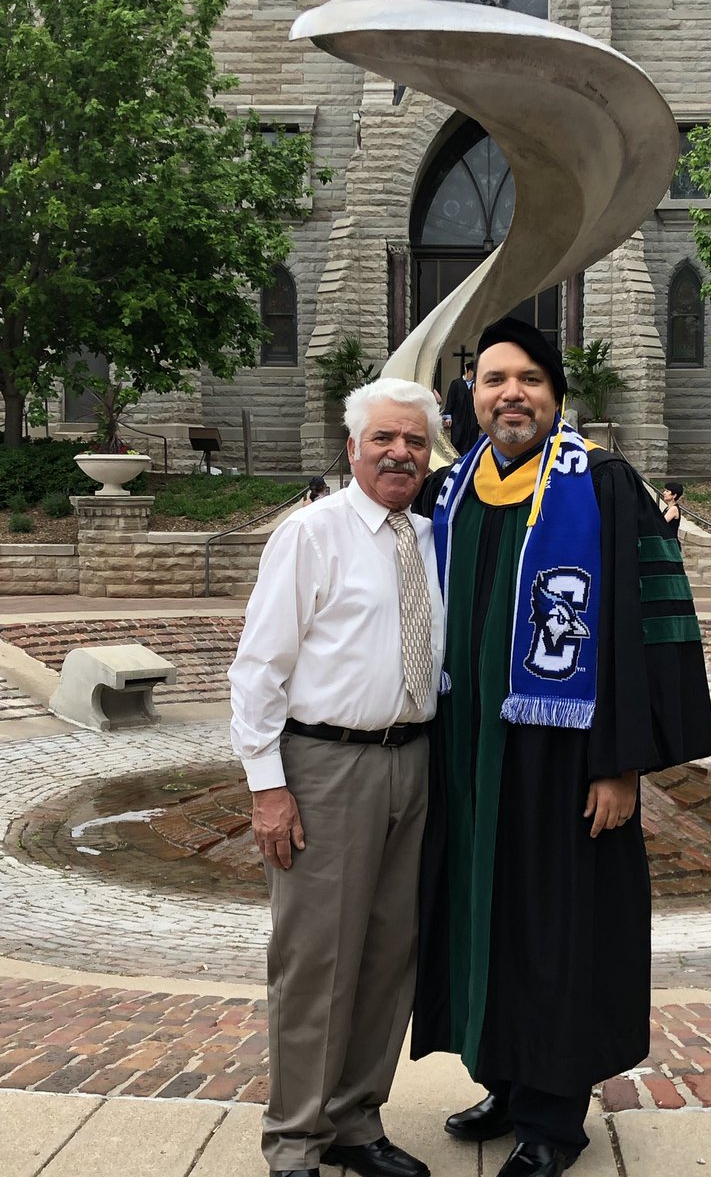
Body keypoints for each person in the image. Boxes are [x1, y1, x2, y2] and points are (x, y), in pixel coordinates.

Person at [411, 319, 711, 1177]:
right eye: (495, 379)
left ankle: (554, 1120)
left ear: (556, 396)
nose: (513, 393)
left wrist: (620, 763)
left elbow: (644, 632)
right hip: (465, 759)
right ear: (471, 398)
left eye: (531, 380)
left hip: (563, 764)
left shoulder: (606, 487)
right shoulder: (450, 493)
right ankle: (503, 1077)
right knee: (487, 923)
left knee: (557, 929)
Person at [229, 377, 445, 1177]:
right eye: (384, 439)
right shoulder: (311, 534)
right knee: (317, 961)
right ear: (352, 447)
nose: (399, 453)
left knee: (390, 955)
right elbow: (258, 668)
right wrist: (267, 786)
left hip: (415, 762)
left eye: (415, 442)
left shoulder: (429, 537)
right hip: (324, 765)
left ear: (430, 453)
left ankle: (357, 1123)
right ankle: (294, 1144)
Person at [441, 360, 481, 455]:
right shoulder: (456, 384)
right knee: (457, 441)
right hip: (458, 420)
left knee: (472, 443)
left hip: (472, 420)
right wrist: (448, 416)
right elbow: (450, 401)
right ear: (470, 371)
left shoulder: (477, 386)